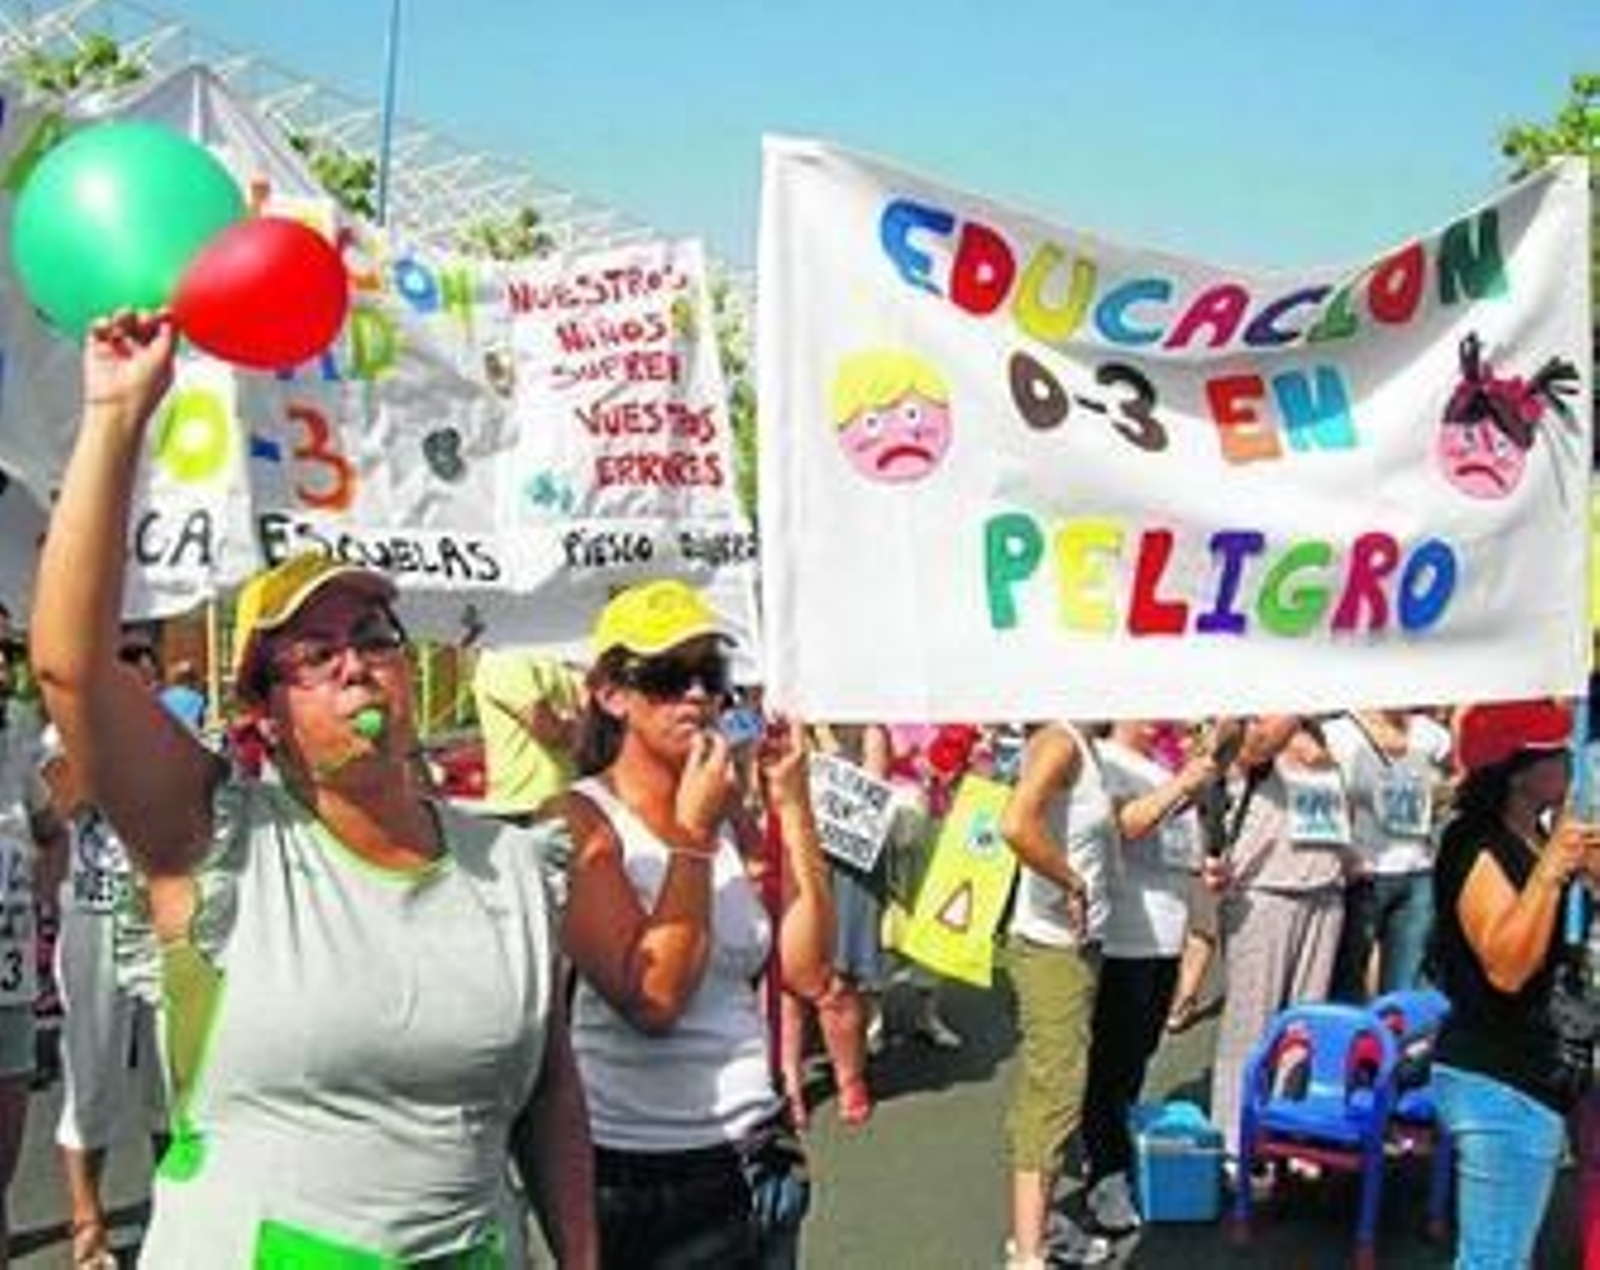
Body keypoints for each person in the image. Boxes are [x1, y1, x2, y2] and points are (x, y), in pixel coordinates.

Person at [29, 310, 596, 1268]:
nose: (353, 669)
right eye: (310, 655)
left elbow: (548, 1092)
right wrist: (118, 415)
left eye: (374, 640)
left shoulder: (509, 864)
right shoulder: (211, 842)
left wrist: (580, 1259)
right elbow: (73, 670)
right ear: (262, 716)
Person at [555, 579, 834, 1268]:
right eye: (669, 676)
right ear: (612, 694)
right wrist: (692, 836)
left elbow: (808, 971)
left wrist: (792, 808)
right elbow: (651, 999)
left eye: (711, 675)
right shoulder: (582, 819)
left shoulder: (726, 814)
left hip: (758, 1156)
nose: (698, 697)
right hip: (646, 1176)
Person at [1431, 699, 1600, 1268]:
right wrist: (1552, 874)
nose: (1571, 761)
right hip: (1499, 1077)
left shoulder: (1532, 840)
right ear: (1520, 772)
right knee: (1495, 1257)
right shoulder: (1474, 844)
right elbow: (1506, 965)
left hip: (1533, 1073)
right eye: (1556, 752)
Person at [1080, 720, 1230, 1235]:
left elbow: (1178, 846)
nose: (1160, 717)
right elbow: (1126, 826)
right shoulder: (1103, 758)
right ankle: (1105, 1172)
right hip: (1124, 936)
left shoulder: (1162, 765)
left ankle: (1113, 1152)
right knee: (1111, 1062)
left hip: (1166, 937)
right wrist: (1185, 783)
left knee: (1137, 1055)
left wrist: (1206, 870)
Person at [37, 725, 165, 1270]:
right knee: (93, 1070)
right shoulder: (57, 735)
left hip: (160, 913)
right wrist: (104, 751)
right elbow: (60, 807)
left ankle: (174, 1208)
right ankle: (87, 1220)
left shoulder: (165, 729)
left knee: (174, 1074)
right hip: (94, 914)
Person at [997, 720, 1115, 1270]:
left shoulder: (1085, 743)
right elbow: (1015, 824)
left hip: (1075, 947)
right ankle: (1028, 1254)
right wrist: (1070, 881)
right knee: (1054, 1093)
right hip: (1051, 949)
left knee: (1056, 1089)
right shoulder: (1060, 739)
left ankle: (1038, 1230)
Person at [1208, 716, 1351, 1167]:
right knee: (1251, 1023)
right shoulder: (1253, 721)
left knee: (1303, 1028)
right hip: (1264, 891)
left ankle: (1287, 1127)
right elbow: (1253, 749)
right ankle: (1234, 1140)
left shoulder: (1325, 734)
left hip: (1324, 890)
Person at [0, 634, 64, 1264]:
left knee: (5, 1158)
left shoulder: (16, 729)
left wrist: (38, 903)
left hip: (9, 975)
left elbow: (53, 831)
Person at [1325, 708, 1453, 999]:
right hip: (1361, 874)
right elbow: (1318, 790)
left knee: (1405, 987)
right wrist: (1342, 851)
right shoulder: (1340, 733)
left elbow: (1461, 768)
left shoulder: (1428, 732)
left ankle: (1395, 1043)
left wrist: (1443, 795)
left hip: (1418, 871)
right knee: (1348, 983)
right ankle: (1352, 1043)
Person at [472, 647, 583, 818]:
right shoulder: (503, 658)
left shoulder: (558, 656)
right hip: (524, 807)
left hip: (568, 803)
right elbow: (551, 732)